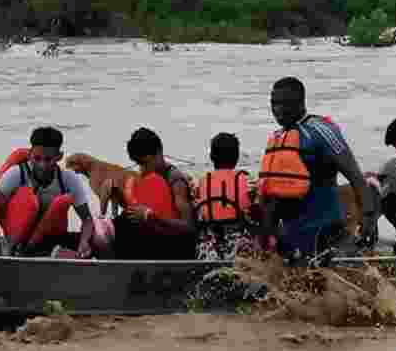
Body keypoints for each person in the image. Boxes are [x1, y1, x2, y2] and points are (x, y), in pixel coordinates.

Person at [257, 76, 378, 262]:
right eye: (274, 103)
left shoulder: (321, 131)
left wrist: (368, 216)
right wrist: (267, 236)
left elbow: (355, 175)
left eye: (284, 103)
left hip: (327, 232)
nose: (277, 109)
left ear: (300, 103)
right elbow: (271, 196)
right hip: (292, 239)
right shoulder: (278, 138)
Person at [0, 127, 110, 259]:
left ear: (59, 156)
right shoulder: (15, 174)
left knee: (99, 244)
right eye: (37, 158)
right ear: (30, 154)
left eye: (48, 159)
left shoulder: (68, 179)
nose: (42, 165)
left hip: (52, 239)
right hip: (18, 239)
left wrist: (84, 242)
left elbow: (87, 219)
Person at [114, 127, 198, 260]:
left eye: (145, 163)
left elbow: (188, 226)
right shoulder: (144, 178)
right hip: (153, 239)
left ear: (159, 152)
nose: (142, 168)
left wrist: (150, 217)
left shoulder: (176, 181)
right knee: (122, 221)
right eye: (138, 164)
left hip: (176, 246)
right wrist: (116, 194)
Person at [193, 132, 257, 261]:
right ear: (237, 156)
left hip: (209, 246)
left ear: (211, 156)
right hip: (238, 245)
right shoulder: (246, 180)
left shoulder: (202, 182)